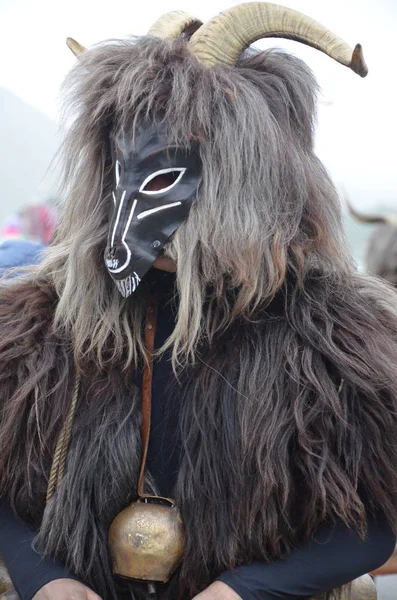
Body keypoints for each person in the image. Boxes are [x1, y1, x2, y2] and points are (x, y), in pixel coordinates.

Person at [1, 4, 397, 600]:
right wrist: (44, 578)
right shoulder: (43, 327)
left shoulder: (334, 343)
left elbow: (375, 516)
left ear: (250, 183)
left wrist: (248, 590)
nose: (139, 223)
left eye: (167, 180)